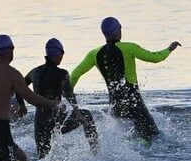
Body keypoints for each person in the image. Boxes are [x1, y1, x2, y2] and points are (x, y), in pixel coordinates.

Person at [69, 17, 180, 145]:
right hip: (134, 103)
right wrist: (169, 49)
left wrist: (68, 93)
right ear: (119, 30)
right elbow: (155, 58)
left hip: (115, 106)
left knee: (130, 137)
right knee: (152, 136)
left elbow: (74, 75)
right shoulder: (129, 47)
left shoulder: (94, 53)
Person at [24, 38, 99, 159]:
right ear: (58, 54)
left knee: (42, 159)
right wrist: (77, 113)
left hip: (40, 121)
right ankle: (96, 153)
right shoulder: (62, 73)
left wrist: (22, 106)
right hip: (56, 120)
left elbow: (20, 87)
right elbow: (69, 94)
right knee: (87, 116)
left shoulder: (34, 72)